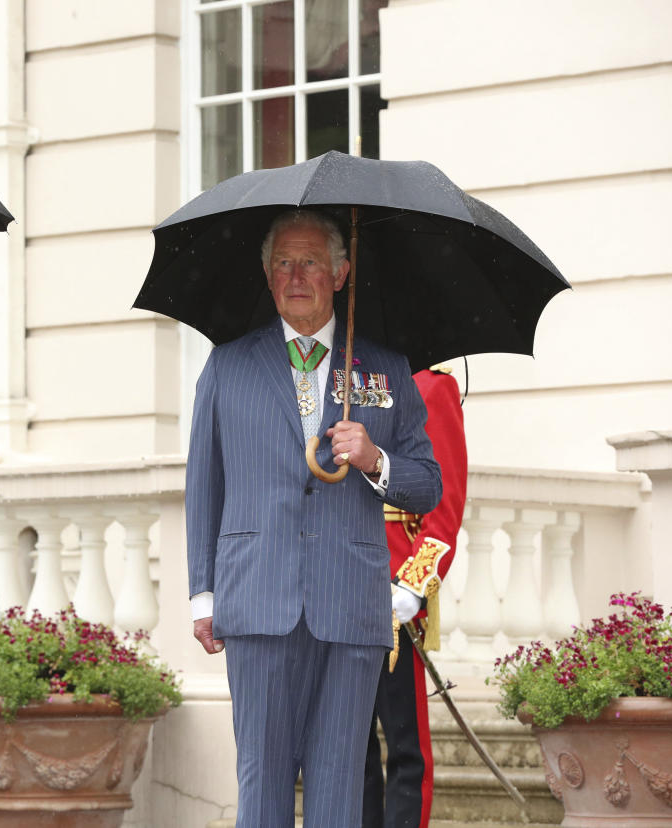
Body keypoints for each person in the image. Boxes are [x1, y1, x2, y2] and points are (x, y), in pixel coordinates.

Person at [186, 208, 442, 828]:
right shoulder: (228, 365)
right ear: (268, 274)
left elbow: (428, 486)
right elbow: (204, 485)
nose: (295, 275)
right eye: (282, 262)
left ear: (341, 271)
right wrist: (203, 594)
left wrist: (374, 457)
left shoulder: (384, 369)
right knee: (263, 785)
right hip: (256, 599)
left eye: (310, 262)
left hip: (350, 603)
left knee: (338, 790)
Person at [362, 365, 468, 828]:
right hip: (339, 589)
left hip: (394, 597)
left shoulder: (432, 384)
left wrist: (413, 584)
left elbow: (443, 506)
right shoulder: (346, 383)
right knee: (348, 749)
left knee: (405, 749)